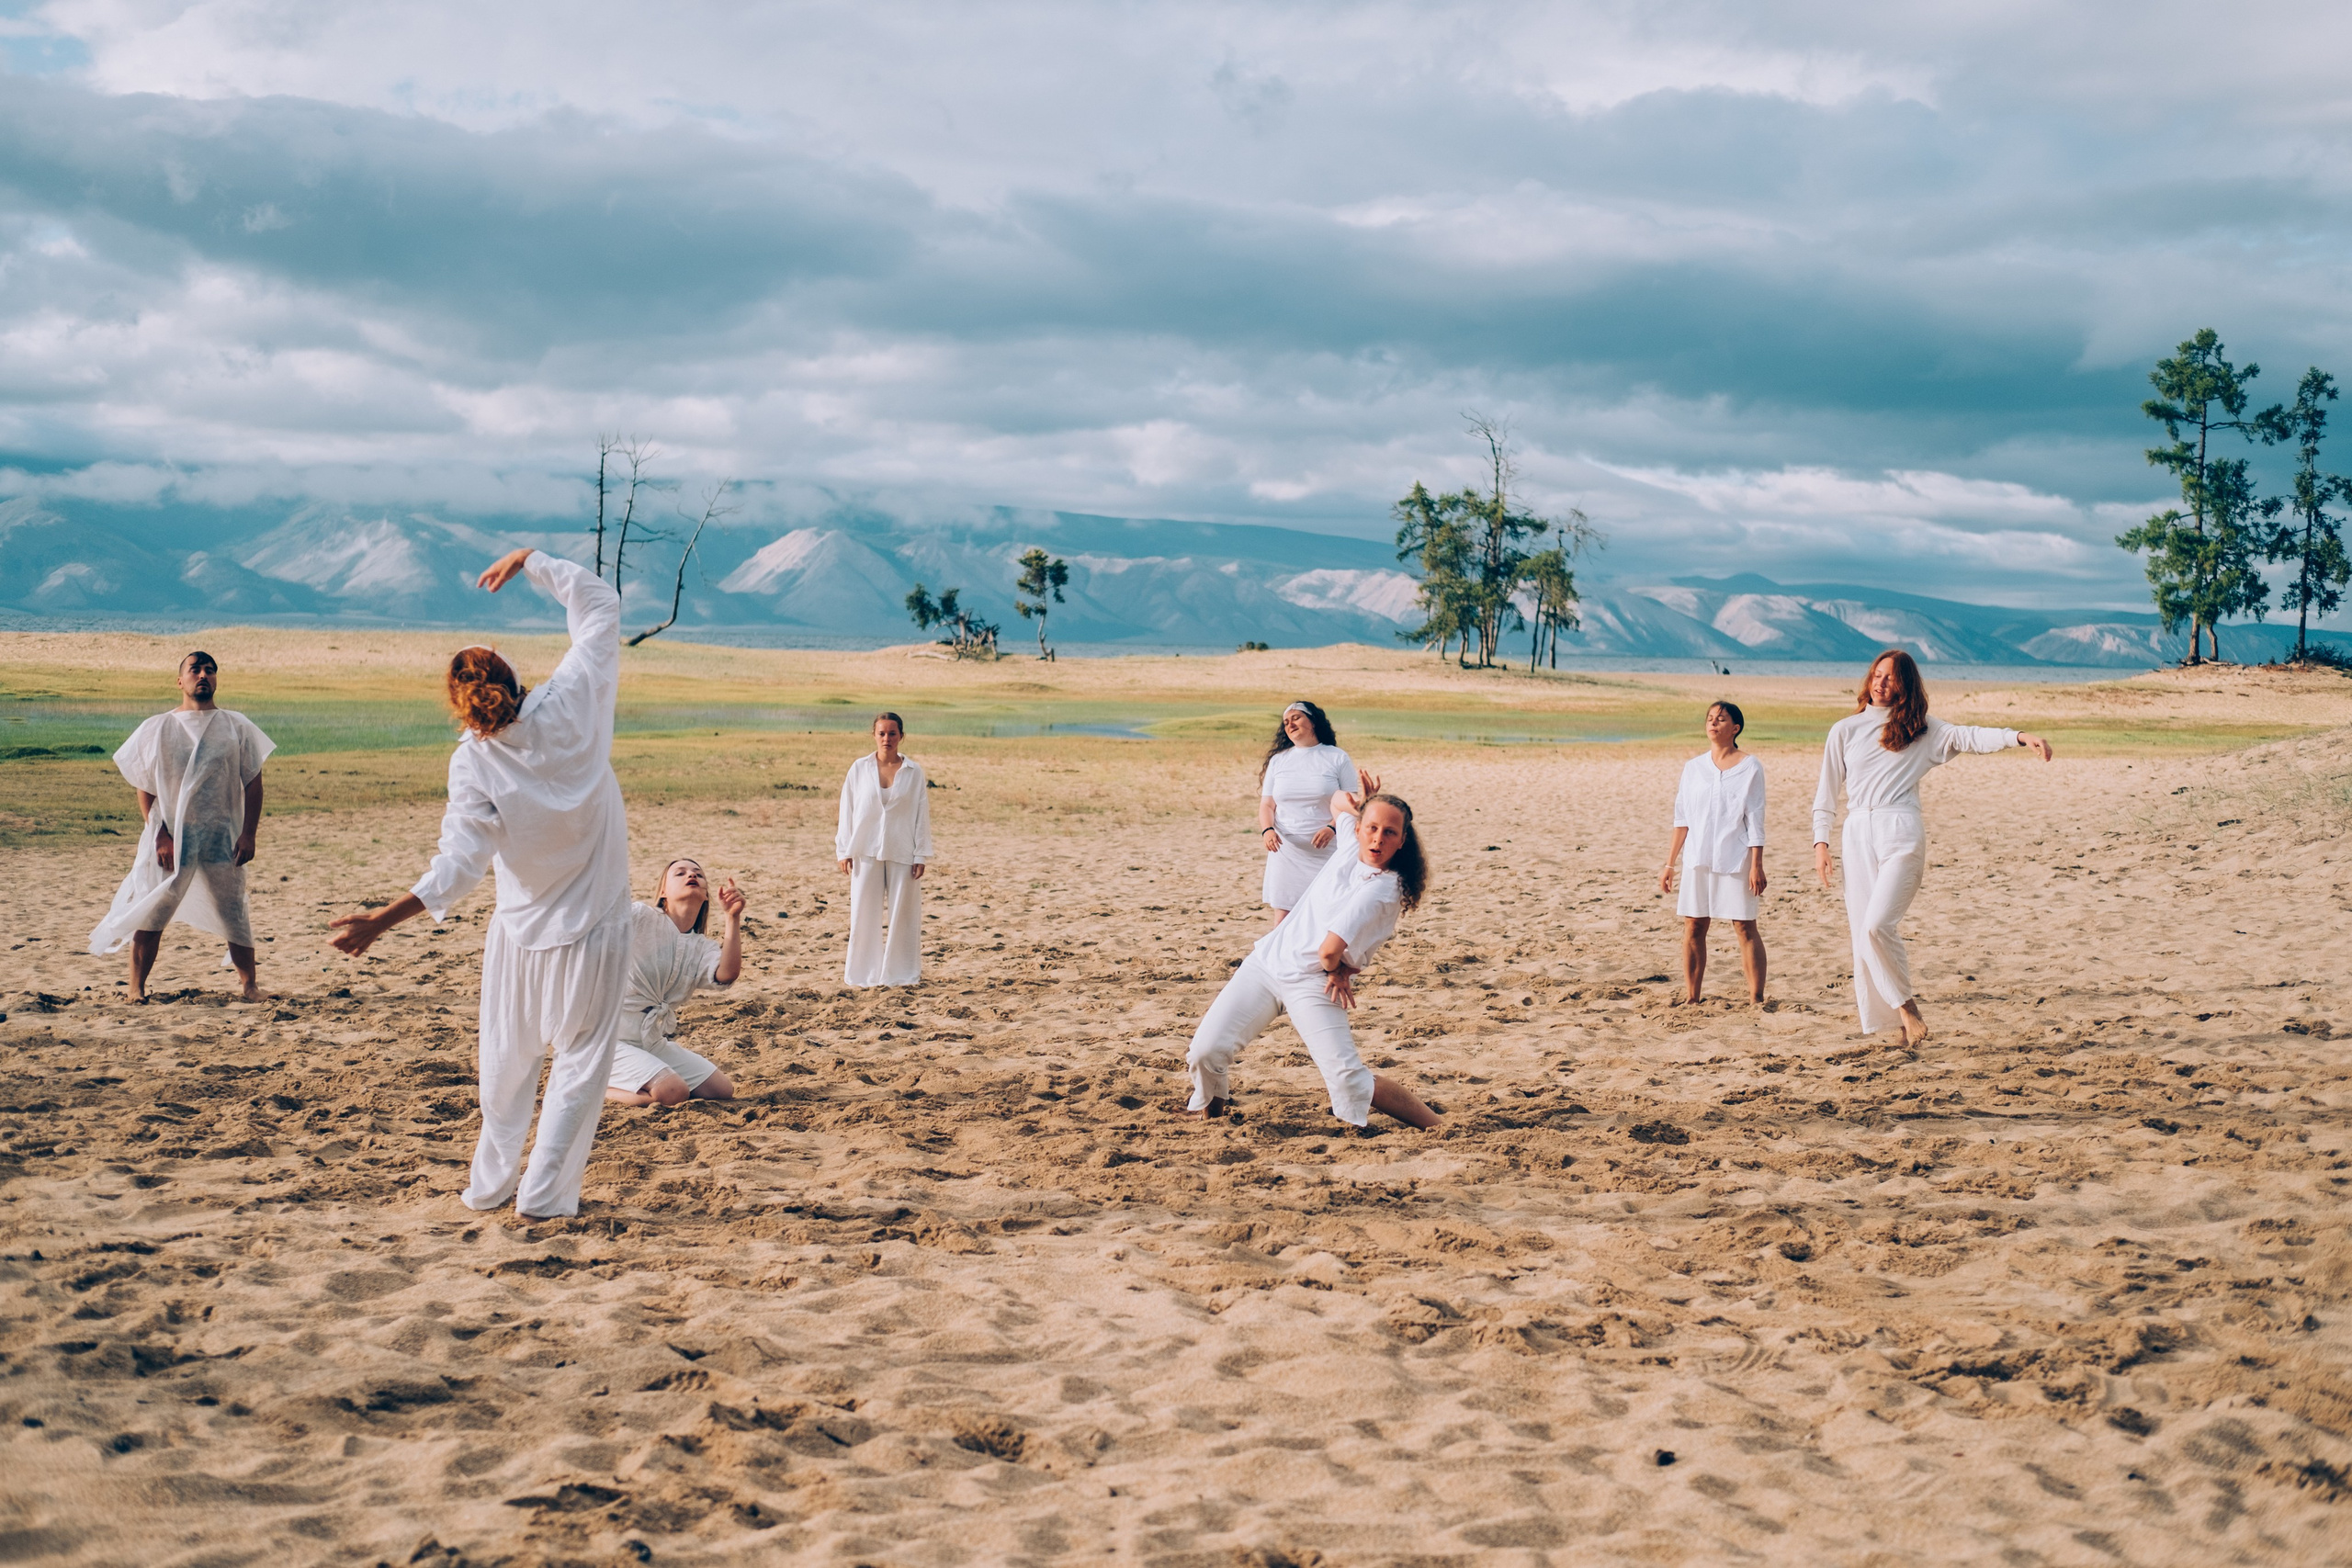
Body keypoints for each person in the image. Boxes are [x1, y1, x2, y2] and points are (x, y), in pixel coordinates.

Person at [328, 547, 630, 1222]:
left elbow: (456, 867)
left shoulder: (473, 763)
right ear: (510, 675)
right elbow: (601, 608)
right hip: (596, 926)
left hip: (521, 934)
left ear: (462, 704)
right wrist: (535, 562)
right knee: (579, 1068)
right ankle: (544, 1200)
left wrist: (381, 919)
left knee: (506, 1069)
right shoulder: (572, 700)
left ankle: (489, 1187)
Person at [1812, 649, 2052, 1044]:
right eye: (1876, 674)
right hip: (1855, 833)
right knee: (1865, 935)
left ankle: (1908, 1009)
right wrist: (1820, 842)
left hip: (1900, 830)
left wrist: (2020, 737)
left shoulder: (1921, 729)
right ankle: (1898, 1026)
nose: (1880, 682)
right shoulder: (1844, 730)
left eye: (1890, 677)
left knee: (1878, 925)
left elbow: (1970, 735)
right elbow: (1826, 793)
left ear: (1905, 685)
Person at [1184, 771, 1442, 1131]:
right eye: (1371, 827)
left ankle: (1436, 1126)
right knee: (1205, 1052)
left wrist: (1338, 968)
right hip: (1267, 964)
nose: (1378, 838)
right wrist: (1358, 801)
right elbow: (1336, 802)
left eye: (1389, 833)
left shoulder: (1384, 887)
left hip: (1314, 982)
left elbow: (1328, 951)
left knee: (1348, 1076)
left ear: (1402, 842)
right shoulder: (1353, 844)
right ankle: (1214, 1116)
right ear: (1358, 829)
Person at [88, 651, 274, 1002]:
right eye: (195, 669)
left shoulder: (236, 725)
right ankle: (136, 989)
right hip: (172, 838)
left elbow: (253, 782)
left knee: (233, 908)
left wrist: (249, 833)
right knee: (154, 907)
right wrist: (160, 834)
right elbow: (145, 786)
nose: (203, 675)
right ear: (180, 680)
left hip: (223, 837)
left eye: (210, 670)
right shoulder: (158, 727)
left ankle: (250, 986)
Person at [607, 857, 745, 1107]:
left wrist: (732, 918)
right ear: (663, 892)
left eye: (698, 874)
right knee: (673, 1092)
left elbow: (727, 975)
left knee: (720, 1090)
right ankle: (594, 1086)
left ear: (706, 896)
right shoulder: (639, 916)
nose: (691, 875)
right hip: (609, 1037)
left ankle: (643, 1075)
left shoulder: (701, 946)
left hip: (651, 1040)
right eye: (679, 873)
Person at [1657, 700, 1768, 1004]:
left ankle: (1757, 999)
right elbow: (1682, 820)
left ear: (1735, 728)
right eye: (1709, 718)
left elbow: (1755, 819)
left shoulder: (1750, 767)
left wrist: (1757, 864)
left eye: (1720, 719)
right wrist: (1670, 865)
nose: (1713, 723)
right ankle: (1693, 998)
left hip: (1736, 858)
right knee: (1693, 926)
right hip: (1697, 859)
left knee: (1744, 927)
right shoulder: (1693, 768)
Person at [834, 712, 932, 987]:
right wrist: (844, 850)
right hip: (864, 849)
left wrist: (921, 853)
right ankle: (863, 975)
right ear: (874, 735)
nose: (887, 738)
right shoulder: (859, 768)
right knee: (863, 914)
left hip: (903, 849)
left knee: (904, 914)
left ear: (901, 735)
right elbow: (847, 809)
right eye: (882, 733)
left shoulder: (914, 772)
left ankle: (900, 975)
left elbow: (921, 814)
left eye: (892, 733)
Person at [1257, 701, 1360, 920]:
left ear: (1313, 721)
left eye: (1296, 718)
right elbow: (1267, 805)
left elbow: (1351, 804)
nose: (1290, 724)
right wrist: (1267, 830)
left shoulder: (1336, 757)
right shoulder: (1278, 761)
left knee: (1326, 914)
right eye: (1286, 722)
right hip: (1286, 852)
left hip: (1327, 851)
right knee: (1283, 917)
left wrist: (1332, 828)